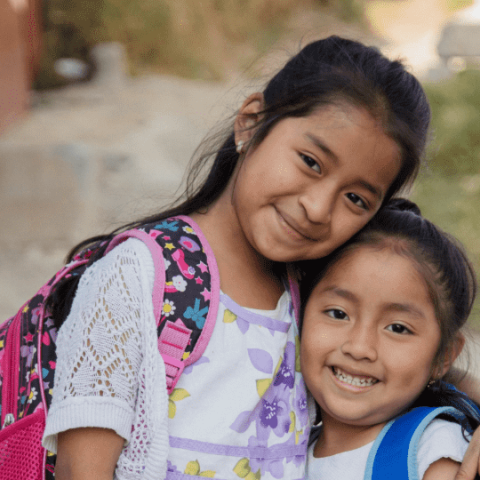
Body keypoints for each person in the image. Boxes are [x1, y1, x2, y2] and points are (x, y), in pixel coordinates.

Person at [40, 36, 480, 479]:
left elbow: (416, 358)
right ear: (250, 123)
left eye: (356, 198)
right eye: (311, 161)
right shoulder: (142, 275)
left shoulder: (308, 289)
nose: (318, 207)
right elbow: (82, 470)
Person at [301, 199, 480, 480]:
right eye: (338, 313)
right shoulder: (280, 448)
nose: (359, 347)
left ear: (443, 356)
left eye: (397, 328)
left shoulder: (432, 449)